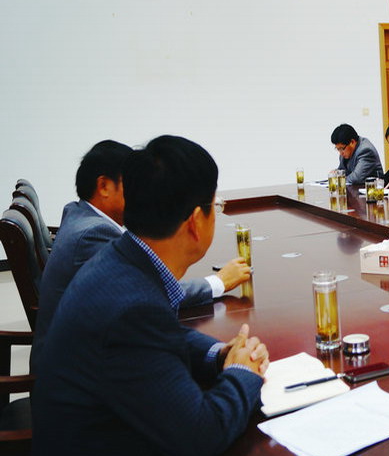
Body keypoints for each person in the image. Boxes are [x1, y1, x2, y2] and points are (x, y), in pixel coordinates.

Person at [29, 135, 269, 456]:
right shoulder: (132, 305)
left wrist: (219, 354)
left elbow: (157, 337)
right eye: (214, 206)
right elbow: (200, 435)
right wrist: (244, 372)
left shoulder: (120, 259)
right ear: (196, 222)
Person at [31, 140, 251, 372]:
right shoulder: (93, 235)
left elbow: (157, 323)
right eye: (132, 183)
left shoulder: (79, 216)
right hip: (76, 370)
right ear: (104, 186)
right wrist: (217, 283)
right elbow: (150, 299)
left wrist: (216, 352)